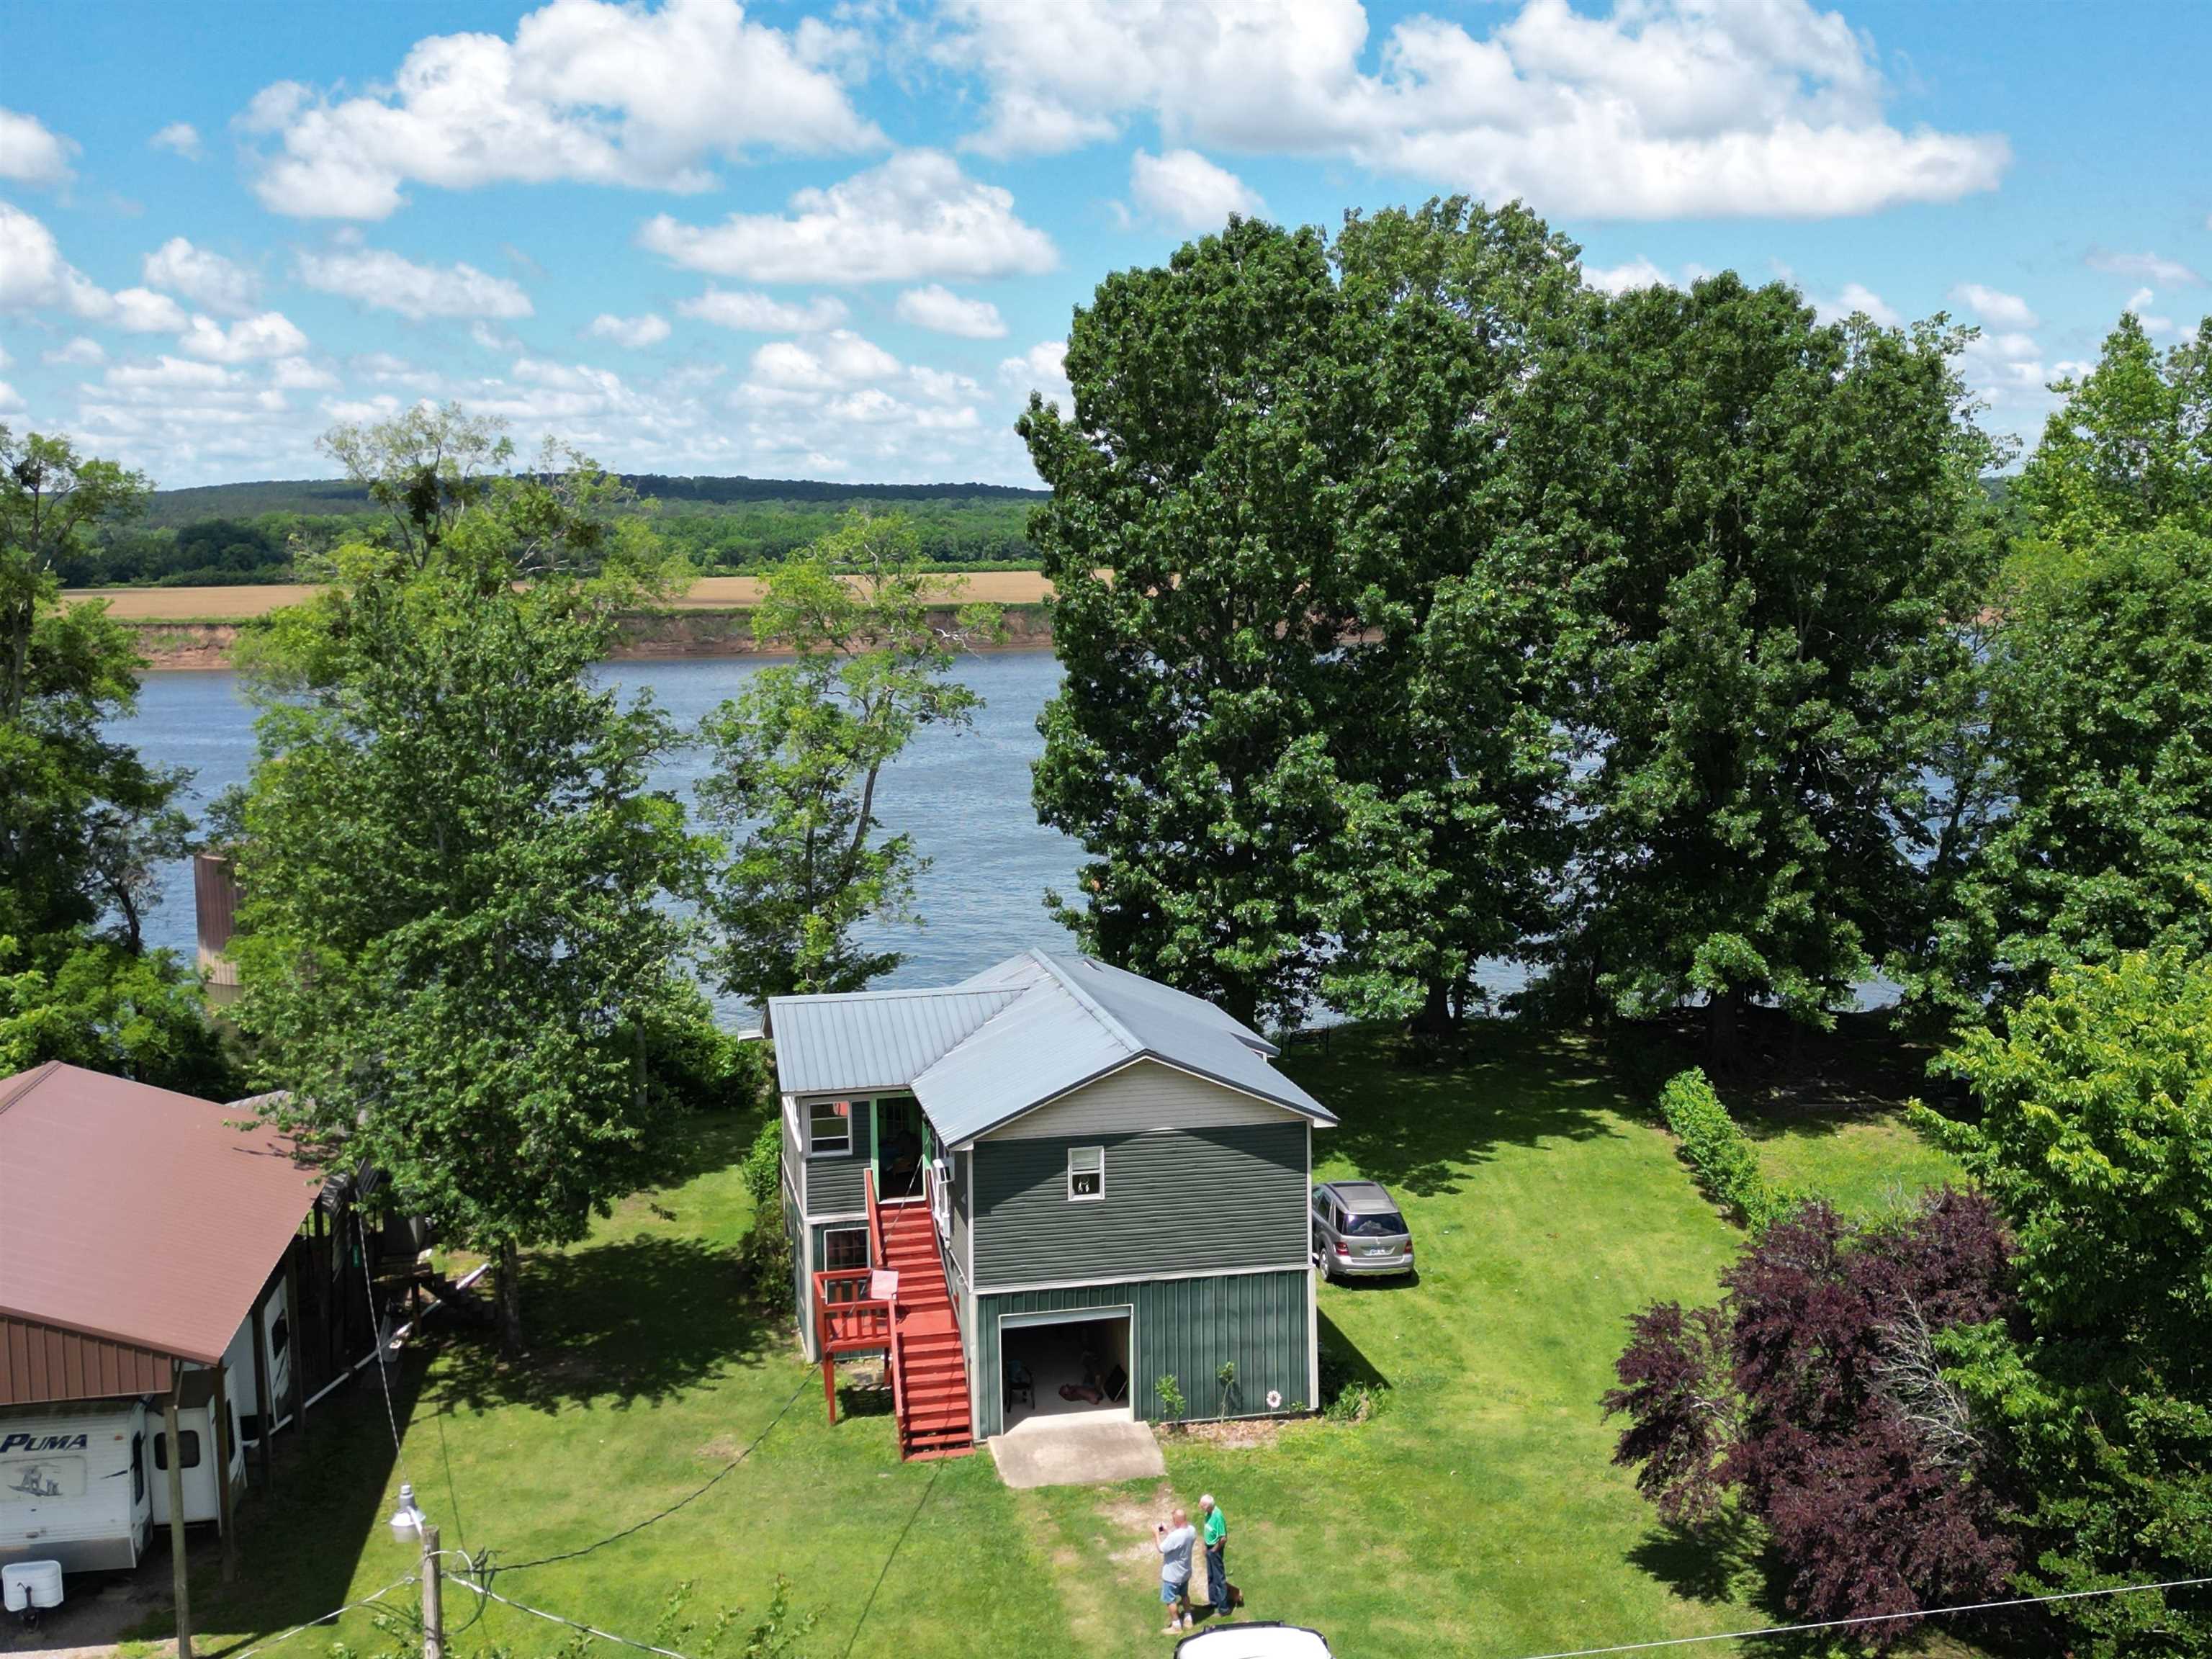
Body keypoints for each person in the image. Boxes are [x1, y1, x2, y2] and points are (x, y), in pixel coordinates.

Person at [1154, 1507, 1197, 1633]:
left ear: (1176, 1521)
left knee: (1170, 1600)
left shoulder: (1175, 1536)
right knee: (1184, 1595)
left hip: (1172, 1575)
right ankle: (1188, 1619)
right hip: (1185, 1572)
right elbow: (1178, 1543)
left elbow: (1161, 1548)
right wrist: (1168, 1533)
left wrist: (1156, 1534)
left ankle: (1176, 1625)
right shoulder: (1192, 1531)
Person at [1198, 1493, 1229, 1615]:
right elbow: (1207, 1530)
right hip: (1209, 1547)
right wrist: (1205, 1545)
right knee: (1211, 1576)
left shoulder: (1218, 1516)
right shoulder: (1208, 1513)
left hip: (1215, 1549)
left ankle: (1224, 1608)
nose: (1200, 1507)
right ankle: (1213, 1602)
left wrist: (1214, 1550)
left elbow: (1223, 1538)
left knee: (1219, 1578)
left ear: (1208, 1506)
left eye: (1202, 1505)